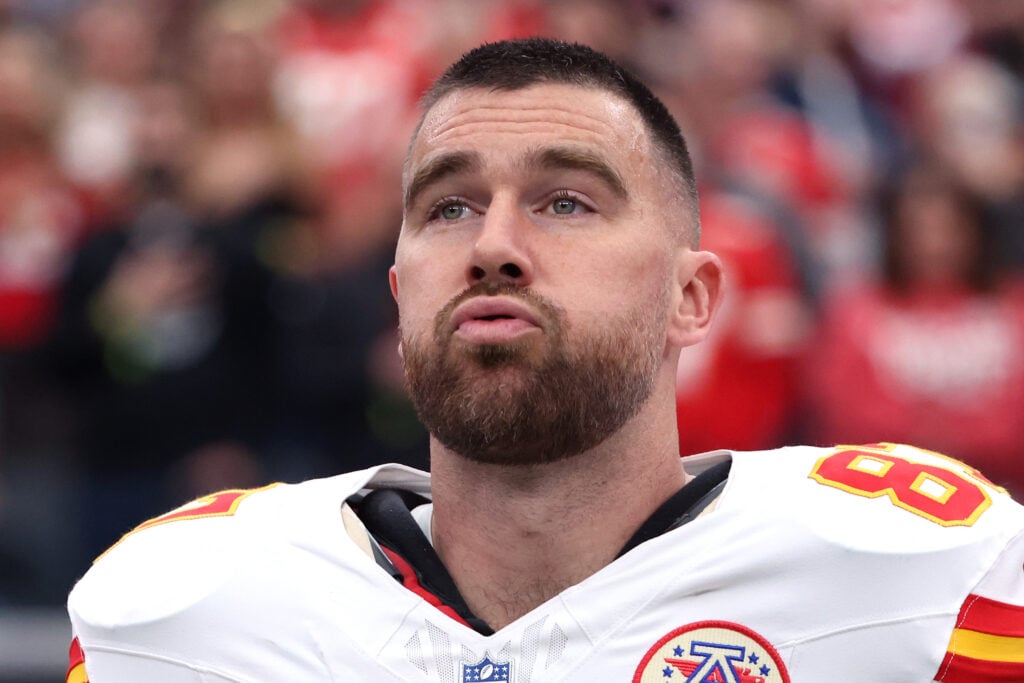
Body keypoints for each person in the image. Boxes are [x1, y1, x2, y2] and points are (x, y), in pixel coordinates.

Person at [66, 38, 1024, 683]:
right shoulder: (188, 607)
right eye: (448, 206)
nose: (493, 245)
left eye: (566, 201)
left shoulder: (920, 575)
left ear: (690, 298)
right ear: (400, 298)